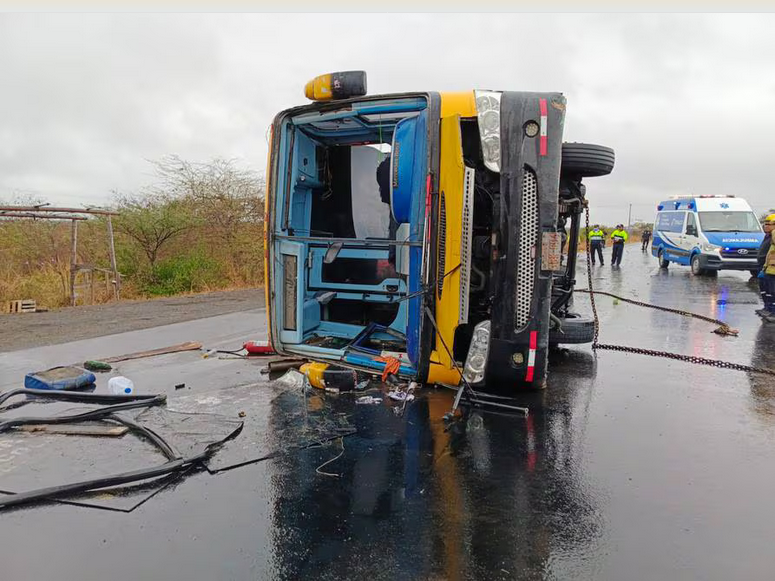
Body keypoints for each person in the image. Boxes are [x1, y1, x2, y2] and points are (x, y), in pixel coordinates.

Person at [757, 214, 775, 321]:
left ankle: (772, 311)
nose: (765, 226)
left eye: (769, 224)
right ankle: (767, 308)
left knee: (772, 290)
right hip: (766, 267)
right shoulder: (768, 236)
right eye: (765, 224)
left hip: (772, 269)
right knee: (766, 289)